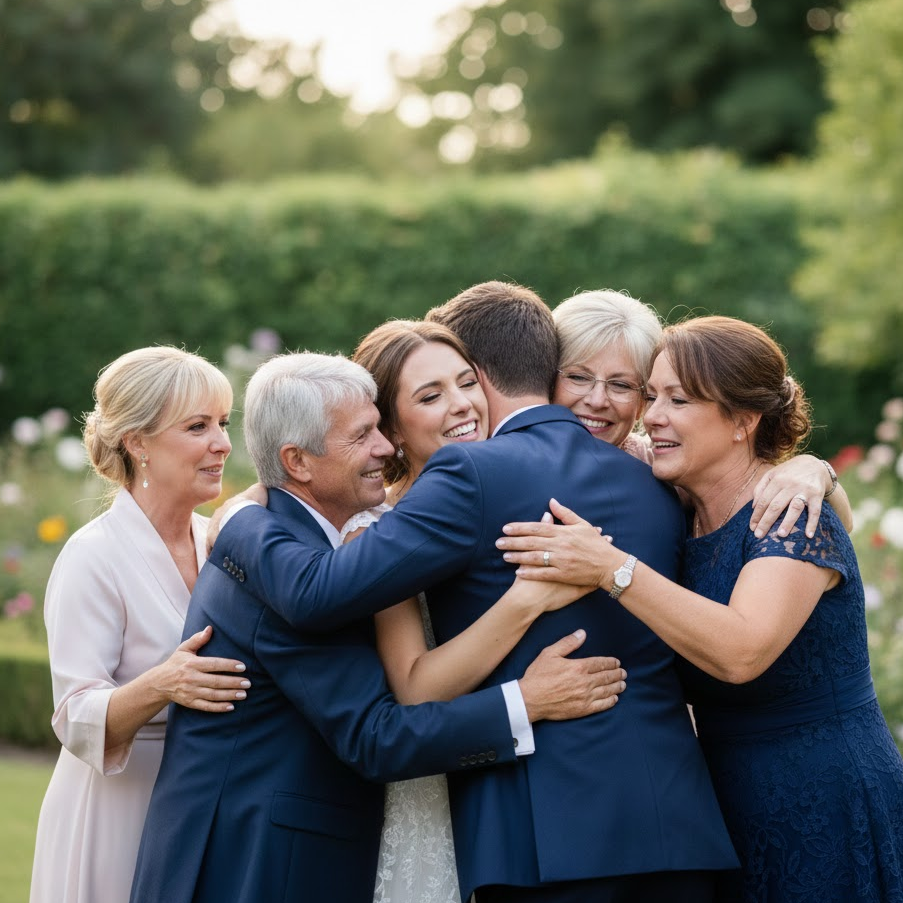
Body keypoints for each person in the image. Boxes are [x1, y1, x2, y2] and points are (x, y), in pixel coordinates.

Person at [213, 282, 740, 902]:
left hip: (542, 840)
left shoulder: (467, 475)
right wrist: (812, 471)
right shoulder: (655, 478)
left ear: (480, 372)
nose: (459, 403)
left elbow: (321, 596)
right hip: (676, 827)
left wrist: (237, 519)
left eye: (461, 381)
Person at [129, 352, 622, 903]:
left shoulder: (339, 538)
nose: (384, 449)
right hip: (255, 866)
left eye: (381, 430)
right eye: (362, 436)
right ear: (298, 461)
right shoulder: (281, 573)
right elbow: (376, 738)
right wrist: (526, 703)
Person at [497, 315, 903, 903]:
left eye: (679, 400)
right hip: (720, 800)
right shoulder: (674, 503)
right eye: (653, 395)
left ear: (742, 420)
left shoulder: (789, 515)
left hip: (825, 794)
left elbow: (740, 652)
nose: (651, 415)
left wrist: (610, 567)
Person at [349, 320, 599, 903]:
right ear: (390, 429)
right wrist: (527, 599)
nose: (462, 406)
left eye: (467, 383)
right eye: (430, 396)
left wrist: (811, 469)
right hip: (433, 789)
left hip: (529, 800)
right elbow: (414, 688)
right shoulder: (384, 535)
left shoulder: (521, 484)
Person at [29, 347, 250, 903]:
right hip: (118, 810)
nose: (222, 443)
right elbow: (74, 717)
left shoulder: (222, 542)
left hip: (209, 809)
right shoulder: (93, 556)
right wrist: (162, 684)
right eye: (197, 426)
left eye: (222, 424)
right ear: (137, 442)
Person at [552, 288, 852, 537]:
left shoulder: (658, 467)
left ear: (642, 399)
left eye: (621, 385)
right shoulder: (510, 453)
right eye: (578, 377)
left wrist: (817, 472)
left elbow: (841, 526)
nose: (597, 400)